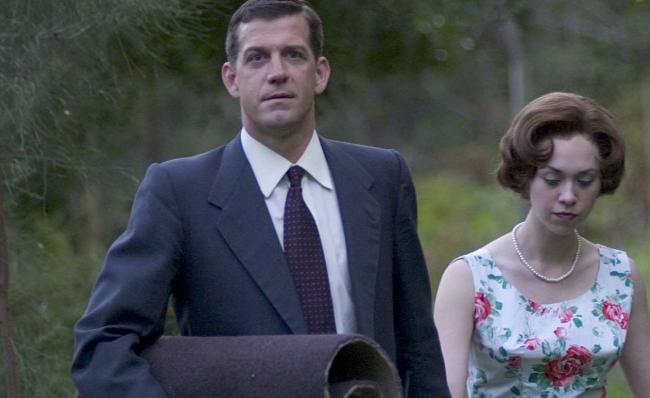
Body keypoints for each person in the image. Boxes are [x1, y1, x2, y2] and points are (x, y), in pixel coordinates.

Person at [71, 1, 448, 396]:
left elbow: (419, 346)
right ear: (232, 79)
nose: (277, 72)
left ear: (319, 73)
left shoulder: (382, 177)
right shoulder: (179, 192)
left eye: (293, 54)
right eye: (257, 58)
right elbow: (104, 341)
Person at [434, 92, 650, 397]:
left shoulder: (620, 276)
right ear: (525, 177)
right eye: (552, 179)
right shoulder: (469, 278)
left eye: (585, 181)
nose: (569, 196)